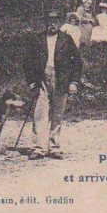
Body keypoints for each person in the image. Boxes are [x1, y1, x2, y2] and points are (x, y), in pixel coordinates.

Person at [23, 9, 82, 160]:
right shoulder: (37, 39)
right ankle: (38, 148)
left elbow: (77, 62)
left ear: (59, 22)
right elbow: (27, 62)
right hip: (41, 79)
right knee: (40, 114)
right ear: (45, 23)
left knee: (57, 114)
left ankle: (54, 147)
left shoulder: (66, 39)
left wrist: (74, 82)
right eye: (50, 21)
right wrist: (31, 82)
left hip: (61, 79)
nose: (52, 24)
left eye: (55, 21)